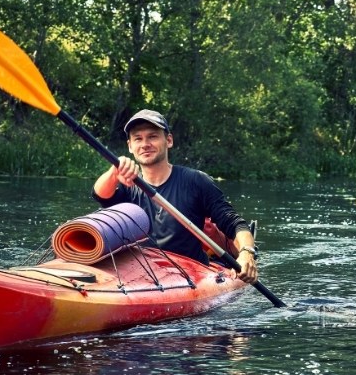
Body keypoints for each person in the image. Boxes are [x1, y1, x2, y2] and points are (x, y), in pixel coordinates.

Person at [92, 109, 258, 284]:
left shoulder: (196, 181)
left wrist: (247, 253)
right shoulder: (128, 184)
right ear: (130, 146)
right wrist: (114, 171)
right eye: (138, 138)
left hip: (191, 274)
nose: (145, 144)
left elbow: (234, 223)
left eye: (153, 136)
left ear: (169, 140)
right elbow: (100, 196)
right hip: (141, 272)